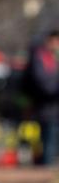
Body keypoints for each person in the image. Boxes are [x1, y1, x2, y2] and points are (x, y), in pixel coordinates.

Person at [25, 30, 59, 165]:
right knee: (48, 149)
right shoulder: (40, 57)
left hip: (53, 110)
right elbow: (44, 84)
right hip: (46, 112)